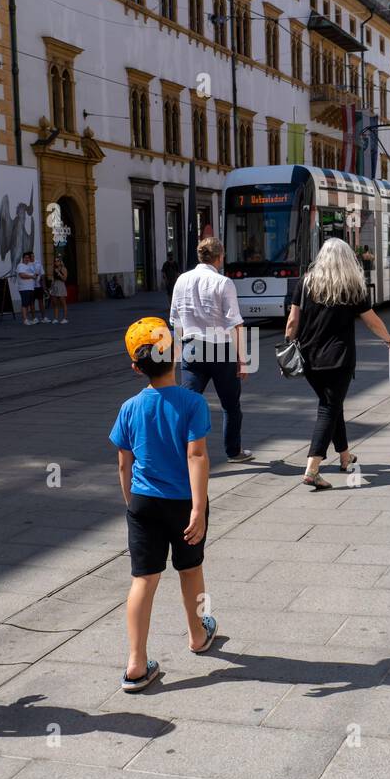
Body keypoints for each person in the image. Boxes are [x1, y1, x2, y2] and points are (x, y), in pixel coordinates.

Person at [110, 318, 217, 692]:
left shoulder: (129, 408)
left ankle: (136, 664)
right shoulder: (192, 402)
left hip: (143, 503)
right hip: (183, 502)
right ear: (177, 356)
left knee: (144, 580)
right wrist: (198, 508)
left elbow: (124, 462)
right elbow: (197, 456)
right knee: (192, 571)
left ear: (136, 367)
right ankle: (197, 634)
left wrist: (131, 503)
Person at [284, 239, 390, 491]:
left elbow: (293, 321)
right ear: (348, 259)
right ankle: (312, 469)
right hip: (339, 358)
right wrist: (389, 339)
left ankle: (345, 458)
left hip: (309, 358)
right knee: (329, 407)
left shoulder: (305, 283)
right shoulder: (352, 285)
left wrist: (287, 344)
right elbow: (371, 321)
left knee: (334, 406)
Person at [170, 236, 253, 463]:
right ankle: (233, 452)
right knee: (230, 405)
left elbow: (175, 320)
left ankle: (179, 453)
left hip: (192, 349)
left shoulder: (181, 280)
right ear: (220, 257)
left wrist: (178, 352)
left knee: (186, 404)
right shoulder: (223, 282)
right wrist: (243, 359)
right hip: (220, 350)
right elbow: (235, 323)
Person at [16, 249, 40, 324]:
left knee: (28, 304)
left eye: (28, 258)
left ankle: (28, 319)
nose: (27, 259)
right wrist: (32, 277)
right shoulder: (20, 265)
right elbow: (22, 275)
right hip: (24, 288)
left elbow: (35, 274)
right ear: (23, 258)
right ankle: (25, 320)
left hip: (31, 288)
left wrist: (35, 275)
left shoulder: (30, 266)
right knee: (25, 304)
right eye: (25, 257)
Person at [49, 256, 69, 324]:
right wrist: (51, 288)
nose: (56, 262)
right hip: (55, 285)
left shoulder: (64, 269)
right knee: (55, 303)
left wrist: (59, 273)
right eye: (55, 261)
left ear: (60, 262)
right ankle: (56, 318)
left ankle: (65, 318)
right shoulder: (54, 269)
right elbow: (53, 278)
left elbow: (64, 279)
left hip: (61, 285)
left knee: (63, 303)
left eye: (57, 261)